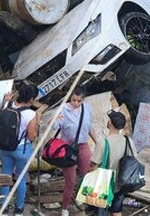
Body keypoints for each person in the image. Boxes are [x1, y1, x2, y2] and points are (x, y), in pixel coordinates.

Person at [53, 86, 98, 216]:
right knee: (71, 181)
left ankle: (81, 199)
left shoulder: (87, 108)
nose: (76, 103)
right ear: (70, 98)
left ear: (83, 100)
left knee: (87, 176)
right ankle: (65, 208)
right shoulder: (64, 109)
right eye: (74, 100)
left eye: (79, 101)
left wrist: (97, 142)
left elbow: (89, 127)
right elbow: (55, 125)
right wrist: (55, 119)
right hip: (67, 148)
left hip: (83, 146)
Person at [0, 83, 40, 216]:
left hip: (4, 147)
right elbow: (32, 136)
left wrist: (6, 100)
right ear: (32, 99)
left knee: (6, 176)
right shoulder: (30, 114)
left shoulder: (8, 105)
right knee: (21, 179)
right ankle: (19, 209)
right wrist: (38, 122)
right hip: (21, 150)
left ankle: (4, 209)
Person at [88, 110, 138, 216]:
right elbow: (134, 159)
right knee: (116, 211)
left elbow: (93, 166)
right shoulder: (128, 141)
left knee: (100, 211)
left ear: (110, 123)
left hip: (103, 185)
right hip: (120, 183)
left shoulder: (103, 143)